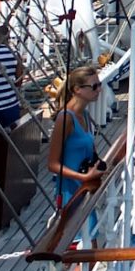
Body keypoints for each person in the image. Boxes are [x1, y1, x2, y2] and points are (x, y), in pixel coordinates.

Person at [47, 66, 104, 214]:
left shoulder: (84, 115)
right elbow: (52, 165)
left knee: (90, 236)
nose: (99, 90)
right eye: (94, 86)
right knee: (80, 236)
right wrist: (83, 176)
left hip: (85, 189)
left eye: (100, 85)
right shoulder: (65, 118)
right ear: (77, 89)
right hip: (71, 194)